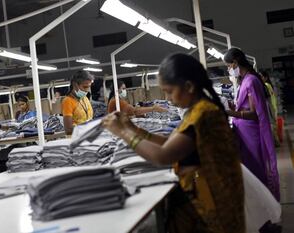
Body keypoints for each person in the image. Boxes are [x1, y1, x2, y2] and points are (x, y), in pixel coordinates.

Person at [103, 54, 245, 233]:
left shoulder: (204, 114)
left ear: (188, 86)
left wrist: (122, 133)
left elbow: (164, 156)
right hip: (205, 195)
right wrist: (133, 128)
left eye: (169, 91)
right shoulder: (197, 110)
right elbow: (171, 142)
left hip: (211, 202)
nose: (167, 98)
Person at [224, 48, 280, 201]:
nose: (229, 69)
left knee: (257, 174)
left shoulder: (251, 81)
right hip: (245, 133)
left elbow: (255, 113)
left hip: (251, 135)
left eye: (229, 66)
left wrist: (230, 113)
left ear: (235, 63)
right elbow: (246, 106)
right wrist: (235, 107)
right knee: (253, 174)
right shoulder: (245, 80)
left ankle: (266, 214)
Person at [62, 70, 94, 135]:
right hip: (76, 140)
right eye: (85, 87)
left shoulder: (85, 99)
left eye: (89, 86)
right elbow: (68, 129)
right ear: (75, 85)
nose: (87, 90)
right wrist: (87, 128)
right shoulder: (68, 101)